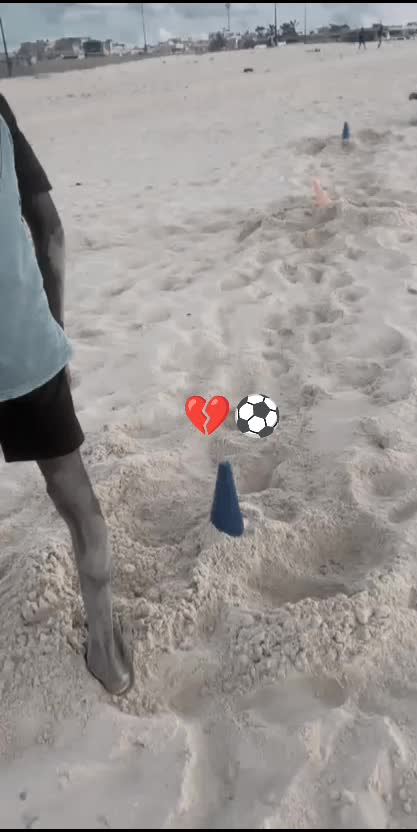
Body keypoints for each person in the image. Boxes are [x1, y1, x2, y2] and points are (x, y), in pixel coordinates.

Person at [0, 95, 133, 696]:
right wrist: (52, 327)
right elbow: (49, 228)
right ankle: (106, 655)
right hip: (22, 339)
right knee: (77, 501)